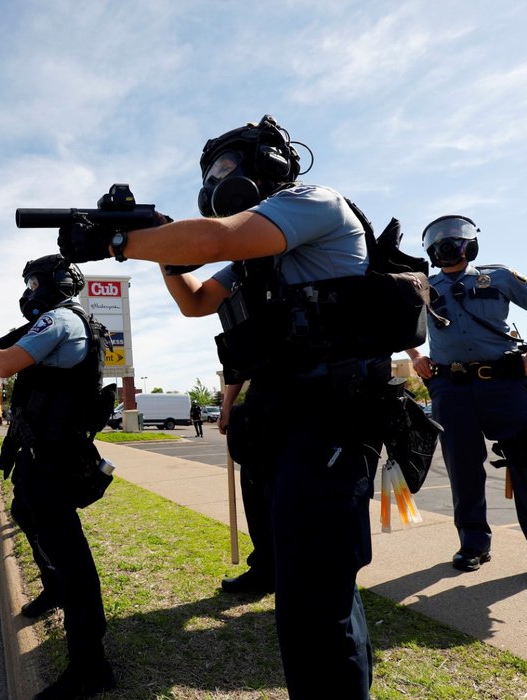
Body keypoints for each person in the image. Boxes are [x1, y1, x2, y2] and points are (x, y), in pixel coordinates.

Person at [59, 115, 411, 698]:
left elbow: (212, 238)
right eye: (212, 173)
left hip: (331, 415)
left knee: (317, 588)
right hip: (285, 414)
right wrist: (161, 255)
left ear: (269, 164)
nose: (219, 179)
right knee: (298, 580)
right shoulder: (258, 253)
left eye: (227, 165)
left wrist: (120, 241)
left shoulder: (311, 202)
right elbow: (196, 301)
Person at [0, 254, 116, 699]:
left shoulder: (60, 318)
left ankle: (90, 666)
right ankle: (54, 588)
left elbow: (1, 364)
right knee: (24, 509)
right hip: (41, 452)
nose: (29, 292)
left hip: (56, 457)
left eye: (34, 283)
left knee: (70, 554)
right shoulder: (61, 319)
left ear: (56, 283)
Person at [405, 215, 527, 584]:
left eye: (455, 239)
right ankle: (474, 545)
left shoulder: (499, 277)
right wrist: (417, 357)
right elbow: (393, 323)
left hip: (506, 383)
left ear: (471, 245)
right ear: (430, 250)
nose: (447, 246)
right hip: (450, 387)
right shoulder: (421, 288)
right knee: (462, 470)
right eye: (439, 241)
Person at [161, 268, 274, 597]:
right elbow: (239, 351)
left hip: (322, 392)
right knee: (255, 489)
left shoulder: (318, 239)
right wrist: (226, 406)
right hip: (266, 396)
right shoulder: (245, 265)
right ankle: (266, 569)